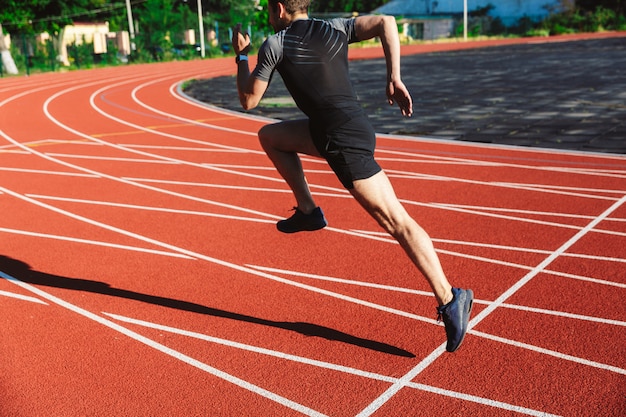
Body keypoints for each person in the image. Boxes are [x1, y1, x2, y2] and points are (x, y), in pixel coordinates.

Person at [232, 0, 473, 352]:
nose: (268, 15)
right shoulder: (334, 28)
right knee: (271, 137)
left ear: (280, 7)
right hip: (333, 130)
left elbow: (248, 100)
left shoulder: (276, 44)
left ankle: (451, 296)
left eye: (270, 8)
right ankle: (308, 211)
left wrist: (241, 56)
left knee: (396, 221)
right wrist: (394, 78)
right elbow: (386, 22)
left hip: (342, 141)